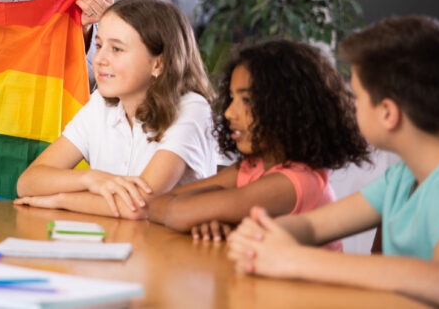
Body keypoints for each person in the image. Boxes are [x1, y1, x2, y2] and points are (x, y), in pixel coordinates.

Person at [227, 17, 439, 307]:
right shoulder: (402, 178)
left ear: (387, 113)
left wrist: (297, 260)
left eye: (357, 96)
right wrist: (263, 235)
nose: (352, 104)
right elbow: (313, 227)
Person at [144, 40, 370, 246]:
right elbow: (156, 205)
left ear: (288, 107)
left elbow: (178, 214)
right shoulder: (252, 167)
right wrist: (208, 214)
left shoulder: (295, 182)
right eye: (232, 98)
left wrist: (206, 211)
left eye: (247, 100)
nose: (230, 112)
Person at [14, 0, 216, 216]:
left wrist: (60, 199)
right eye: (100, 45)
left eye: (117, 49)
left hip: (169, 248)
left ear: (158, 63)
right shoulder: (100, 104)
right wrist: (91, 179)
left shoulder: (191, 109)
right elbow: (28, 182)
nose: (99, 58)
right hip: (113, 243)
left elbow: (139, 206)